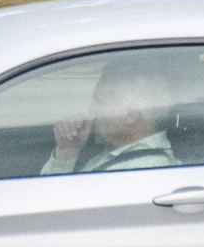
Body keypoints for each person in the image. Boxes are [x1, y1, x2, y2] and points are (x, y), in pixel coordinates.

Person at [42, 53, 183, 175]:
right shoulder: (123, 154)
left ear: (131, 114)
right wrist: (68, 152)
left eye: (100, 102)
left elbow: (49, 200)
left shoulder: (137, 170)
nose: (91, 109)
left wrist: (65, 158)